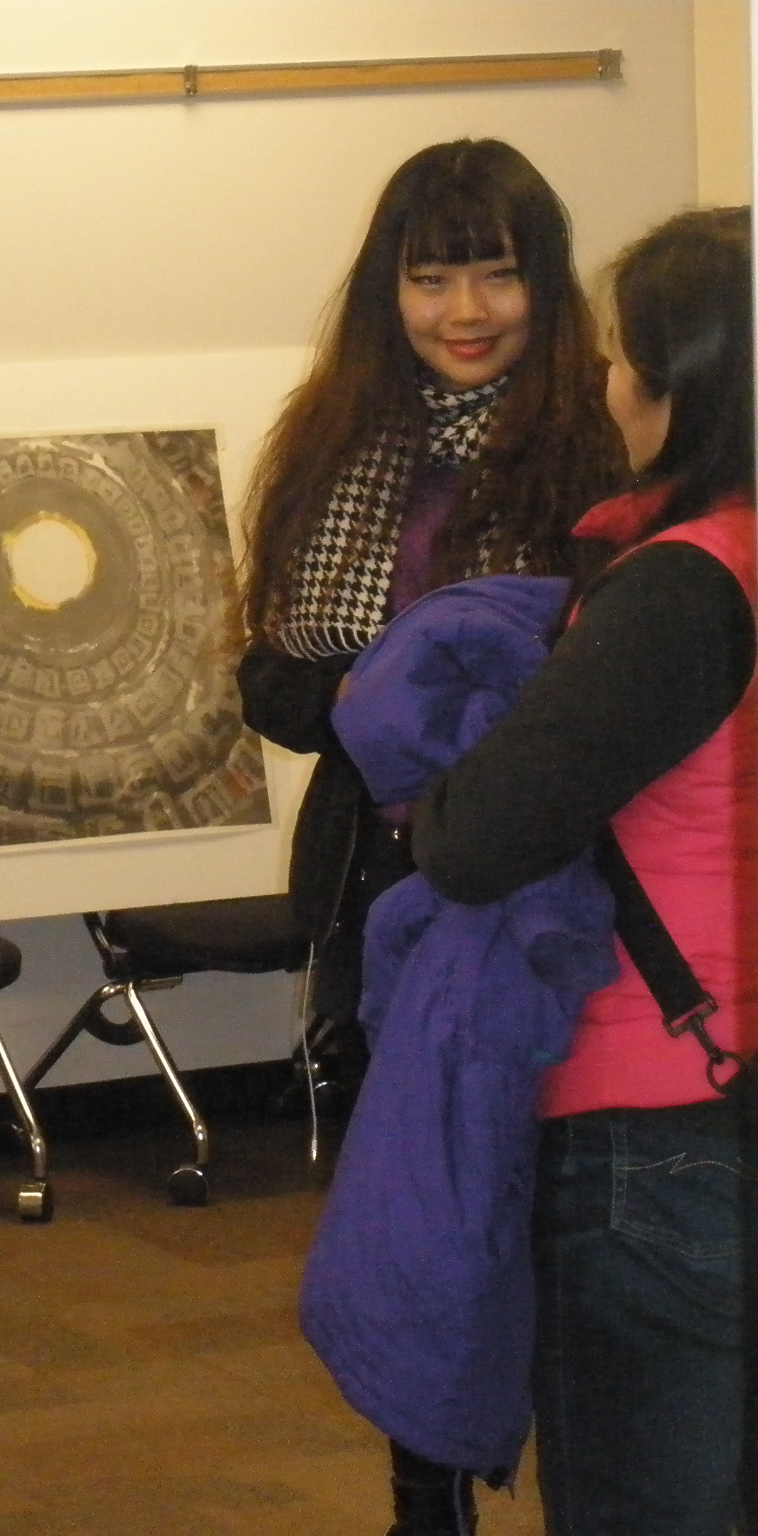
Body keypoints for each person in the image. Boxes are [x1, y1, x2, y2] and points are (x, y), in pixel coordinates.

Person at [234, 141, 627, 1529]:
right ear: (385, 289)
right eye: (431, 277)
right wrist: (373, 696)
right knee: (412, 1224)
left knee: (556, 1217)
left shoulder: (604, 441)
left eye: (497, 275)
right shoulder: (334, 442)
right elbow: (269, 682)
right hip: (379, 885)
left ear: (546, 284)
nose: (465, 310)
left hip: (547, 889)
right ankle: (425, 1502)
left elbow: (621, 682)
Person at [411, 206, 753, 1536]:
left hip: (667, 1114)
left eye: (618, 355)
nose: (604, 382)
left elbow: (478, 838)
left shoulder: (682, 587)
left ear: (684, 382)